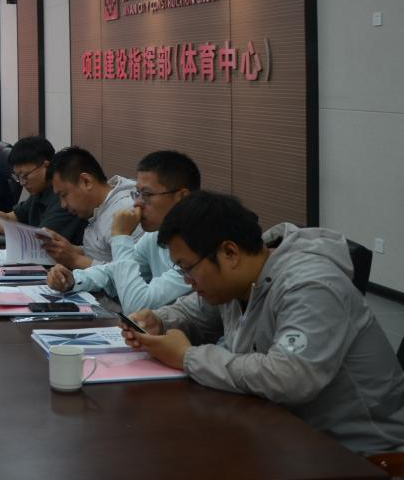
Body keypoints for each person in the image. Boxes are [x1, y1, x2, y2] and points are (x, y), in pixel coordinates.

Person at [123, 191, 404, 456]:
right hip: (283, 430)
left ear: (230, 253)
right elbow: (196, 312)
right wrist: (159, 321)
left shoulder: (311, 285)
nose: (188, 282)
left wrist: (188, 357)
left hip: (359, 453)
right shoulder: (239, 280)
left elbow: (290, 377)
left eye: (188, 268)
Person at [48, 150, 198, 312]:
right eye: (138, 193)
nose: (137, 203)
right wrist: (73, 279)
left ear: (182, 197)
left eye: (146, 194)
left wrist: (121, 236)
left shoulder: (198, 247)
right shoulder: (154, 236)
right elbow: (114, 273)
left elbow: (137, 305)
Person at [0, 136, 85, 242]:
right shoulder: (39, 191)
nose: (22, 183)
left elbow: (41, 240)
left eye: (25, 175)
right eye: (18, 177)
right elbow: (11, 218)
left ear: (46, 166)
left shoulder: (64, 197)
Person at [39, 146, 138, 268]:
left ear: (86, 181)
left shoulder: (127, 213)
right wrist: (68, 249)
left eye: (64, 195)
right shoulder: (101, 207)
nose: (63, 205)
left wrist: (75, 260)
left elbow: (129, 273)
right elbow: (102, 253)